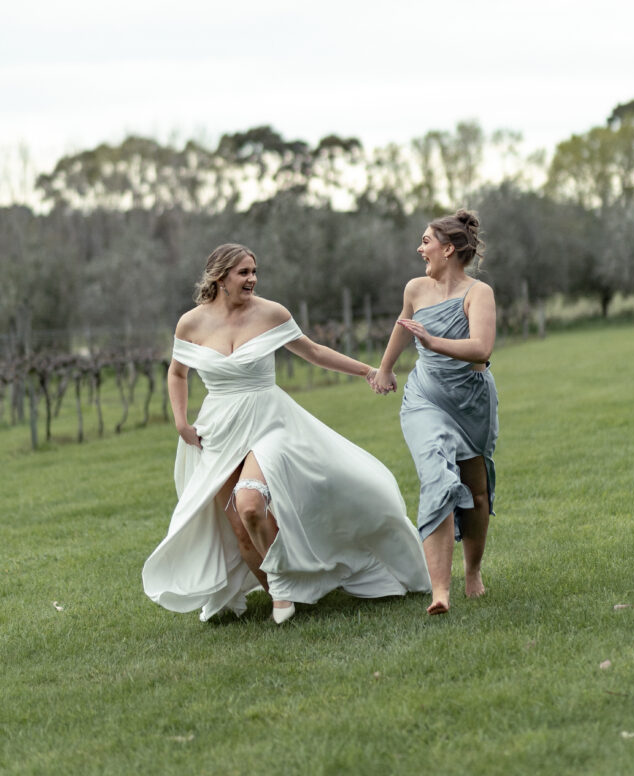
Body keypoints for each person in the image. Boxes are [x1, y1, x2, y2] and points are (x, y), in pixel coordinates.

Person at [142, 243, 429, 624]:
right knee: (239, 528)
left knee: (249, 504)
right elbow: (178, 372)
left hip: (269, 422)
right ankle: (279, 589)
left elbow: (312, 351)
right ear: (220, 277)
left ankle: (285, 584)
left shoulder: (271, 313)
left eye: (254, 271)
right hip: (219, 430)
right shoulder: (190, 323)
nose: (252, 279)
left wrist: (366, 371)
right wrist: (181, 421)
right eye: (243, 272)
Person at [370, 209, 498, 615]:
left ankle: (472, 572)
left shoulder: (479, 293)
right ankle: (439, 591)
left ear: (448, 248)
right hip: (425, 397)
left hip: (470, 401)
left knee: (476, 492)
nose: (420, 248)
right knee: (437, 478)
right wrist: (386, 368)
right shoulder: (415, 289)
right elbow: (402, 326)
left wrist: (435, 341)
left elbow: (481, 348)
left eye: (426, 241)